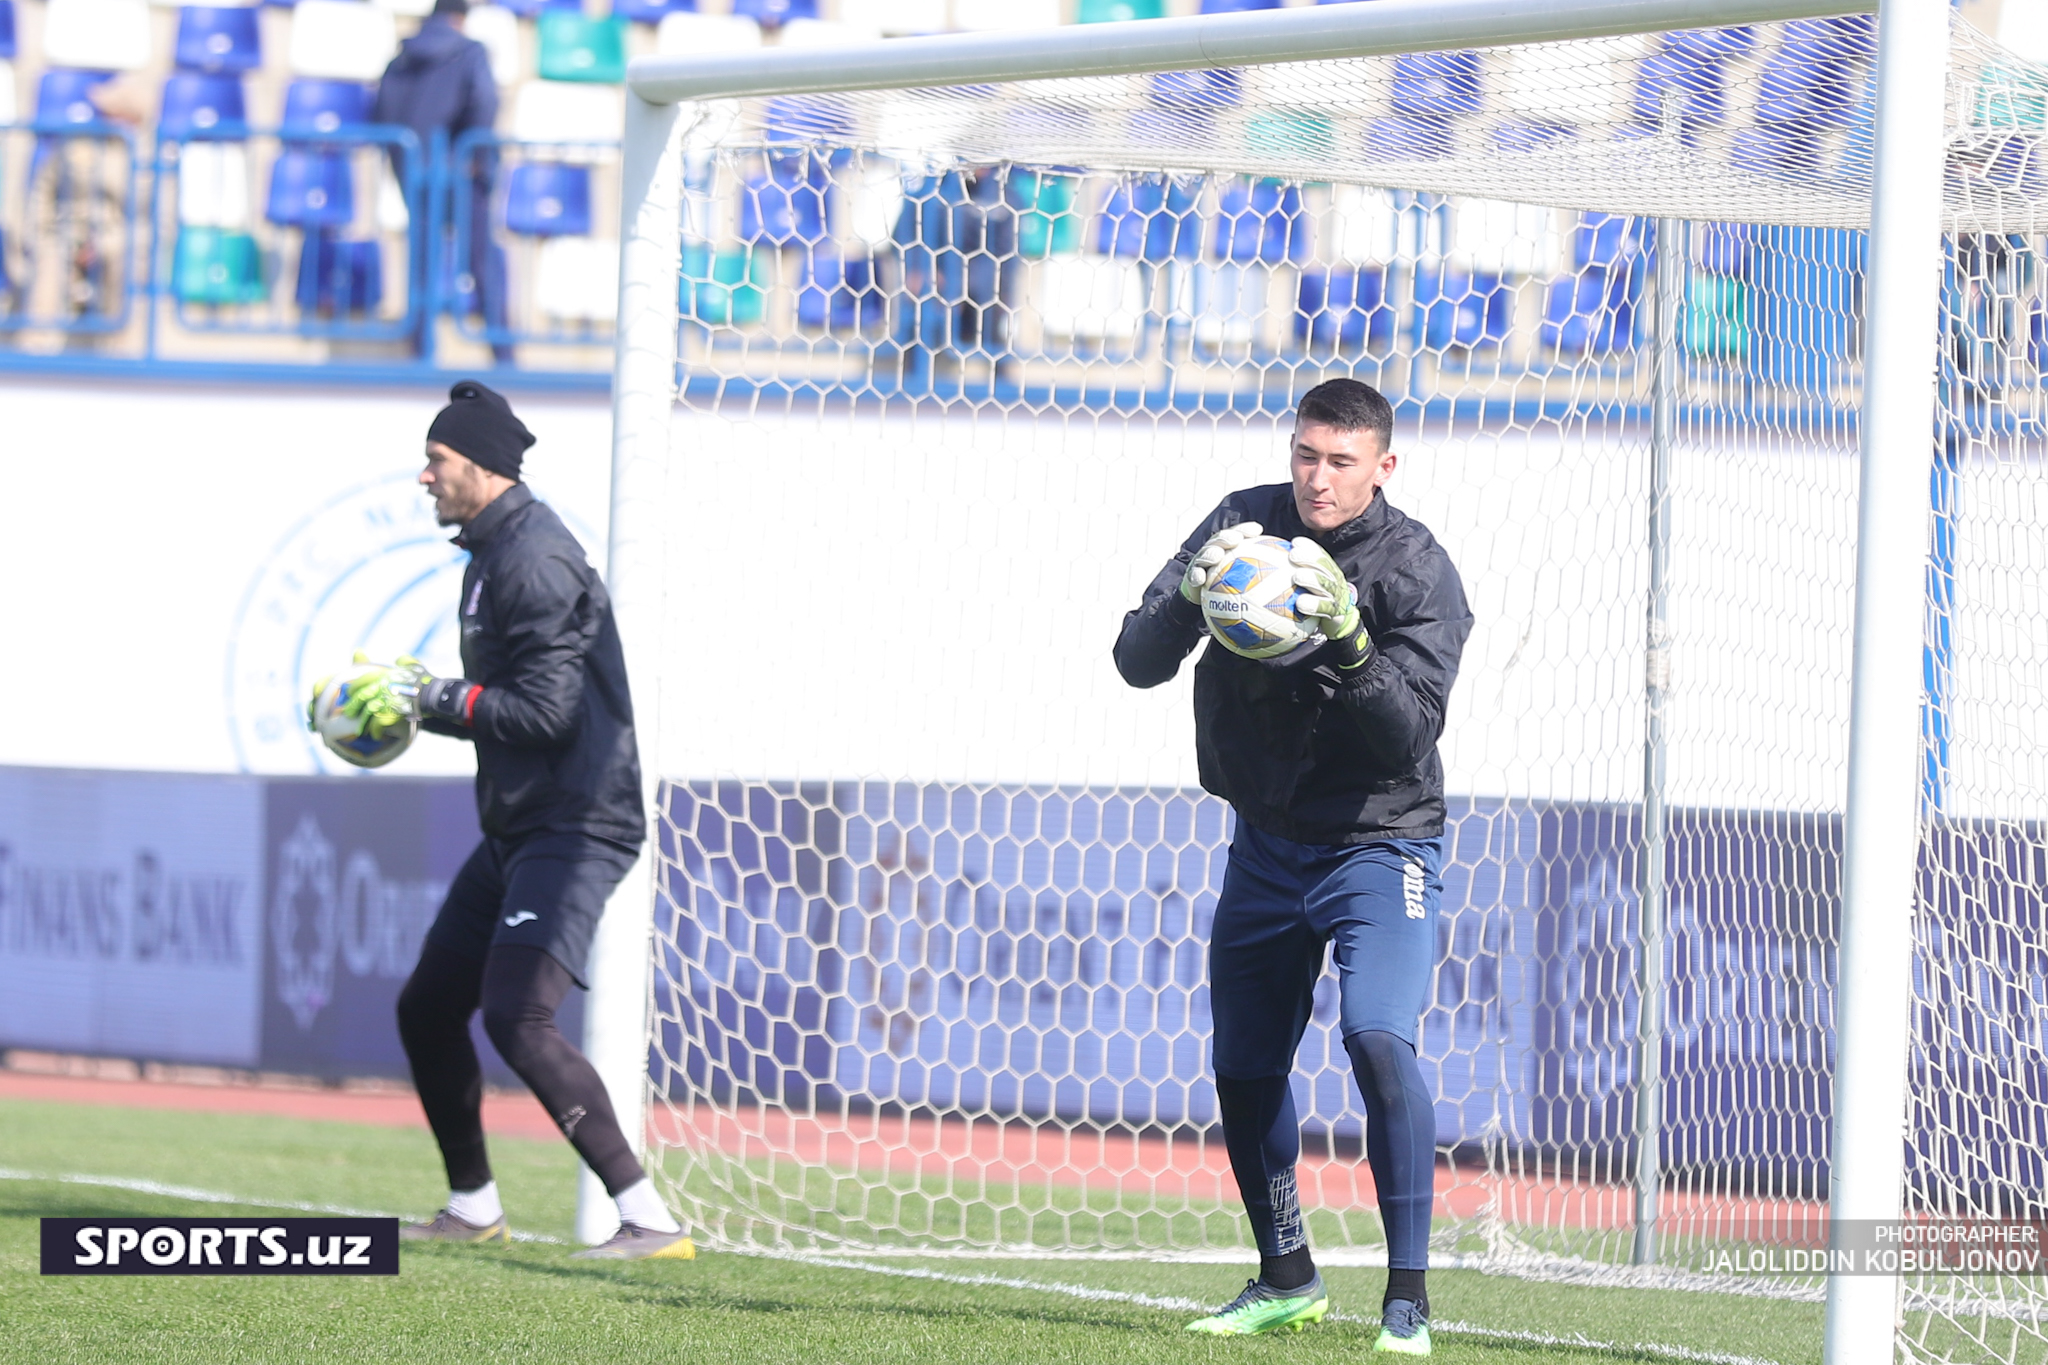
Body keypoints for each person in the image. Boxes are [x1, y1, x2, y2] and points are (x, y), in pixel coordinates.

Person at [1113, 378, 1472, 1355]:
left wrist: (1349, 641)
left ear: (1381, 467)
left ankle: (1406, 1300)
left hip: (1378, 843)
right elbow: (1135, 661)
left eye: (1340, 462)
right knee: (1241, 1067)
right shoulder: (1242, 527)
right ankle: (1285, 1276)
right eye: (1305, 455)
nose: (1316, 478)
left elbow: (1405, 740)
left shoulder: (1416, 573)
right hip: (1264, 845)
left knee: (1375, 1039)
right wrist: (1191, 595)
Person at [320, 381, 688, 1259]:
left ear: (480, 469)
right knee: (427, 1007)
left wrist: (437, 698)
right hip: (525, 823)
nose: (424, 475)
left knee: (517, 1016)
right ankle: (475, 1204)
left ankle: (647, 1218)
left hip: (578, 821)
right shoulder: (492, 551)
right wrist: (425, 704)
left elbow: (548, 714)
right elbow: (513, 704)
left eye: (437, 460)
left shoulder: (532, 560)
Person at [371, 0, 512, 364]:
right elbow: (484, 103)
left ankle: (420, 350)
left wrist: (404, 162)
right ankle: (504, 353)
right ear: (461, 17)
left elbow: (383, 113)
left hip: (416, 171)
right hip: (460, 171)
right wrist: (477, 161)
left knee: (422, 265)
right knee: (482, 262)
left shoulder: (400, 58)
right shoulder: (470, 52)